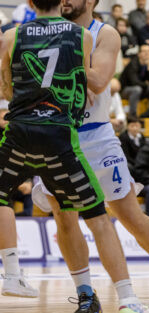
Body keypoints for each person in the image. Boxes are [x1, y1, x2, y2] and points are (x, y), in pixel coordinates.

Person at [33, 2, 149, 312]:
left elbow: (98, 81)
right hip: (56, 134)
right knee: (64, 217)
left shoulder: (105, 33)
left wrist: (69, 72)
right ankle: (86, 295)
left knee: (128, 215)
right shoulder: (46, 30)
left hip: (96, 136)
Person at [0, 0, 95, 304]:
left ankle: (12, 273)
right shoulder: (83, 35)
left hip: (21, 129)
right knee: (92, 212)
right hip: (59, 134)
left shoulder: (12, 35)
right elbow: (84, 86)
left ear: (29, 3)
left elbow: (6, 89)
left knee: (0, 194)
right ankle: (100, 294)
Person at [120, 45, 149, 118]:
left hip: (142, 89)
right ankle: (132, 115)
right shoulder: (133, 63)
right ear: (139, 54)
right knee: (137, 89)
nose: (147, 53)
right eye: (144, 51)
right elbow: (134, 82)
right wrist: (146, 84)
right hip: (126, 90)